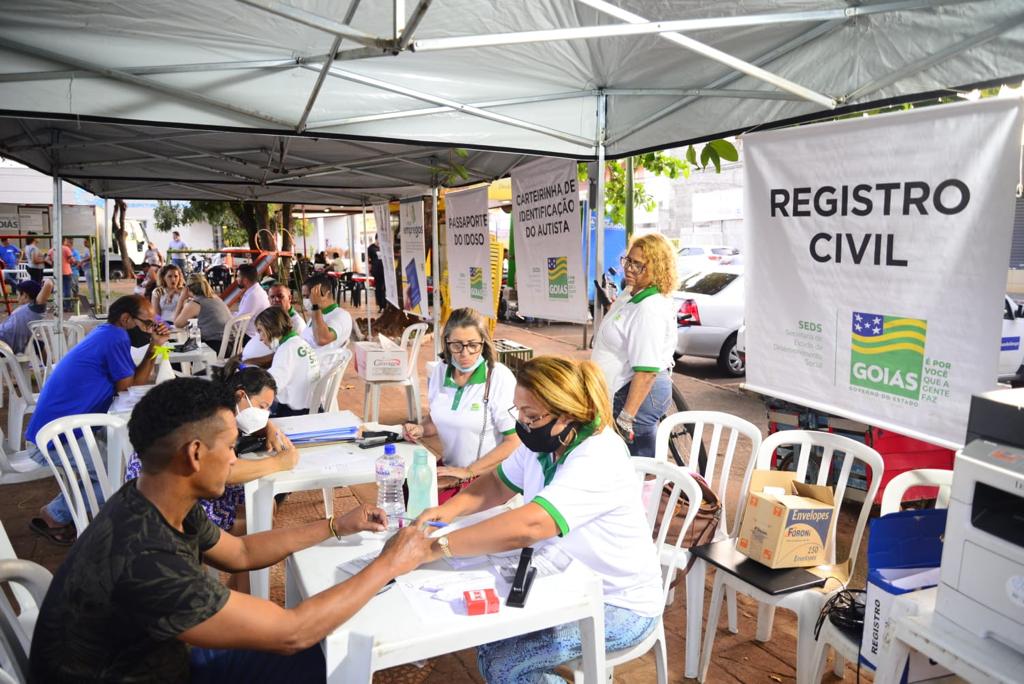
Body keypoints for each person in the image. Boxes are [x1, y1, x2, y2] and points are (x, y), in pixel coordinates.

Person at [29, 377, 434, 683]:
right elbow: (291, 632)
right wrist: (389, 563)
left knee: (322, 656)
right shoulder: (146, 558)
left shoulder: (154, 496)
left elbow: (239, 553)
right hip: (147, 671)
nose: (234, 458)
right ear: (194, 454)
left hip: (158, 656)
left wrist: (336, 525)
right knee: (319, 652)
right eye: (231, 447)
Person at [414, 355, 662, 683]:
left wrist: (437, 547)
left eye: (530, 415)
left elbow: (529, 525)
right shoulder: (546, 441)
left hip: (619, 603)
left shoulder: (599, 455)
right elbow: (498, 483)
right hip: (565, 579)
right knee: (489, 636)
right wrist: (444, 513)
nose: (522, 424)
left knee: (505, 663)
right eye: (518, 411)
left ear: (568, 414)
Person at [123, 367, 298, 591]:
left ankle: (241, 590)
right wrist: (279, 463)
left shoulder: (216, 405)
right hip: (168, 490)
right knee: (256, 523)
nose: (264, 415)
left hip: (157, 479)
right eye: (262, 407)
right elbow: (227, 473)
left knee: (265, 506)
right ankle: (246, 593)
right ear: (240, 395)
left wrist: (269, 426)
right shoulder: (217, 420)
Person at [27, 295, 170, 545]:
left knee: (120, 463)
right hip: (55, 435)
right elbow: (129, 388)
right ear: (126, 319)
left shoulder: (108, 333)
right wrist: (152, 348)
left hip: (67, 426)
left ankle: (61, 512)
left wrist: (153, 342)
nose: (150, 329)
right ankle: (55, 515)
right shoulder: (115, 337)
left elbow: (126, 387)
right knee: (117, 475)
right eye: (147, 323)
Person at [402, 308, 520, 501]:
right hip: (452, 470)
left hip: (487, 478)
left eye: (473, 345)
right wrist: (421, 429)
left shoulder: (498, 377)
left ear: (484, 343)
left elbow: (514, 442)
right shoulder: (440, 371)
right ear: (447, 344)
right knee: (408, 492)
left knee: (427, 514)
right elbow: (437, 417)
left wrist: (468, 471)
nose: (465, 353)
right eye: (456, 345)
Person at [590, 233, 678, 457]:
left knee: (635, 466)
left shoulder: (649, 309)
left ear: (657, 268)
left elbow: (647, 371)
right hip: (618, 390)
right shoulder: (631, 293)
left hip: (634, 395)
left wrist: (627, 417)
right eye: (628, 261)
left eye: (638, 265)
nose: (629, 268)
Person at [254, 307, 320, 417]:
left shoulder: (286, 349)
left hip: (295, 412)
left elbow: (272, 387)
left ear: (271, 327)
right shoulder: (298, 342)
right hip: (310, 405)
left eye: (260, 330)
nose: (260, 338)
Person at [240, 282, 307, 366]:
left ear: (290, 298)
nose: (276, 300)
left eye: (280, 296)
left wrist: (249, 362)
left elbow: (283, 354)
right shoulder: (271, 317)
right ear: (268, 299)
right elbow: (257, 340)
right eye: (272, 297)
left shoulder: (296, 323)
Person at [174, 273, 233, 352]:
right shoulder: (216, 298)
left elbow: (177, 324)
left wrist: (181, 299)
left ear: (187, 289)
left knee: (178, 351)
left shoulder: (195, 304)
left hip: (216, 347)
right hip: (231, 345)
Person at [300, 273, 351, 354]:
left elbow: (322, 339)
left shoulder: (342, 315)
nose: (305, 300)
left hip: (318, 364)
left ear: (325, 295)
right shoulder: (318, 314)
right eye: (304, 297)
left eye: (308, 296)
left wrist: (315, 305)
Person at [0, 278, 53, 354]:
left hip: (4, 343)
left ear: (25, 296)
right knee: (38, 344)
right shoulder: (30, 309)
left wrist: (47, 279)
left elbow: (49, 285)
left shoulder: (36, 308)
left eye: (18, 295)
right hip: (4, 340)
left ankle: (50, 364)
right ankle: (49, 364)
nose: (17, 299)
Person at [235, 262, 270, 341]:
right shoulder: (253, 291)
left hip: (251, 337)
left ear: (245, 280)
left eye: (238, 276)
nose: (236, 279)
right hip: (250, 333)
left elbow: (239, 321)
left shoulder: (254, 295)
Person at [48, 237, 77, 311]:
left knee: (59, 290)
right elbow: (72, 260)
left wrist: (53, 264)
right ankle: (67, 306)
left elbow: (47, 259)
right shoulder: (66, 249)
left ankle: (60, 305)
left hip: (56, 272)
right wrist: (73, 261)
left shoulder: (52, 250)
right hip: (66, 271)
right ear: (63, 241)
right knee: (67, 290)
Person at [368, 235, 386, 312]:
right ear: (376, 238)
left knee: (384, 288)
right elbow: (369, 261)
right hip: (376, 270)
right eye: (380, 239)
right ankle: (381, 306)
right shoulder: (371, 248)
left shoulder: (383, 246)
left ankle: (385, 305)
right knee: (379, 288)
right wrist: (369, 270)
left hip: (384, 270)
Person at [78, 237, 94, 304]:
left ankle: (93, 300)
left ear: (89, 242)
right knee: (89, 285)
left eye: (85, 242)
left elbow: (90, 257)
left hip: (89, 269)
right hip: (86, 269)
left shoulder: (90, 249)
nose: (84, 243)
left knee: (91, 285)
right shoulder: (87, 249)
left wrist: (82, 261)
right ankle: (92, 299)